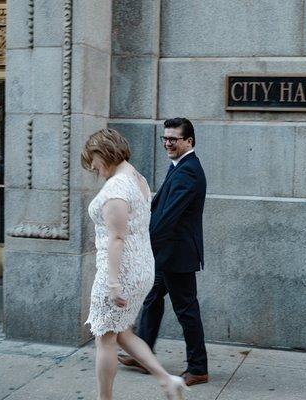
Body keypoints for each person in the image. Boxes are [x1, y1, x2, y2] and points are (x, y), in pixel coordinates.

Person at [82, 128, 187, 400]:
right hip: (140, 267)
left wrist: (114, 283)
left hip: (119, 271)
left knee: (105, 338)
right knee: (123, 333)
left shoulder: (117, 188)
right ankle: (168, 380)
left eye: (93, 159)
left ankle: (104, 399)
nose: (92, 166)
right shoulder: (136, 177)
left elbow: (117, 238)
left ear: (104, 151)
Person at [118, 118, 209, 386]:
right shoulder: (180, 166)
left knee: (187, 310)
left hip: (176, 255)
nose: (168, 143)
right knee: (152, 299)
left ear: (189, 141)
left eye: (174, 139)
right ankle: (143, 354)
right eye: (165, 138)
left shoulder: (188, 171)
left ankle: (198, 368)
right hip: (167, 253)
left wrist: (143, 246)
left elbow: (168, 217)